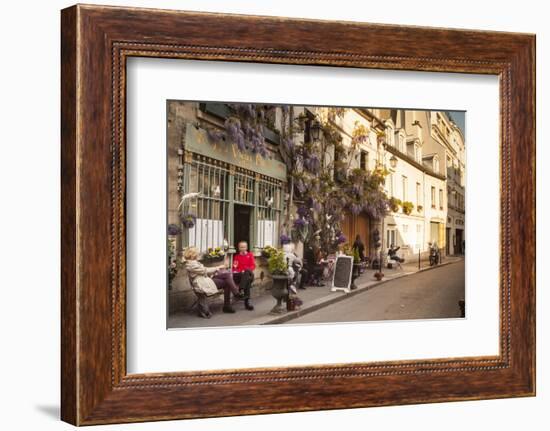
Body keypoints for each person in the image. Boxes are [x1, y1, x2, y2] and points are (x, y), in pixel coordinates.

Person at [183, 247, 243, 317]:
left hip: (206, 279)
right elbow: (204, 270)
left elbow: (204, 272)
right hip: (202, 283)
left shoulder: (194, 262)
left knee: (227, 276)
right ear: (192, 254)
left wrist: (215, 272)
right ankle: (233, 297)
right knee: (227, 280)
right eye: (197, 253)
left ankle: (233, 298)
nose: (198, 254)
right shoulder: (191, 264)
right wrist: (218, 267)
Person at [232, 241, 255, 310]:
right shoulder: (237, 256)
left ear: (247, 247)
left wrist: (245, 270)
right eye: (241, 247)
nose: (243, 248)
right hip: (240, 275)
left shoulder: (250, 255)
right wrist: (240, 271)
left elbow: (253, 266)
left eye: (244, 247)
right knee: (246, 280)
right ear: (239, 248)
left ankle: (241, 289)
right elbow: (234, 268)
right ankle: (247, 303)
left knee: (247, 273)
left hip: (249, 274)